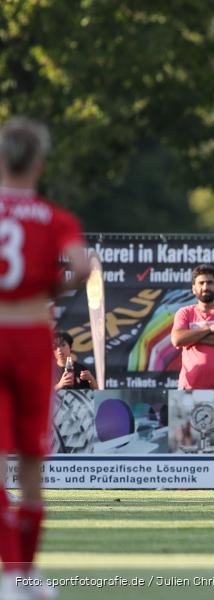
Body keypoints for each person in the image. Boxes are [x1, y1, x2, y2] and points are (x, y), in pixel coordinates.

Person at [0, 116, 90, 600]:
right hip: (32, 335)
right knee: (33, 460)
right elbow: (80, 266)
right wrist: (49, 286)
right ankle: (24, 574)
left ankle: (11, 575)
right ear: (39, 163)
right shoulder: (55, 217)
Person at [170, 264, 214, 390]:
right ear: (193, 288)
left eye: (210, 283)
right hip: (190, 386)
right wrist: (211, 329)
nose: (205, 287)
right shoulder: (184, 313)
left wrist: (192, 338)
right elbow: (177, 339)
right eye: (201, 283)